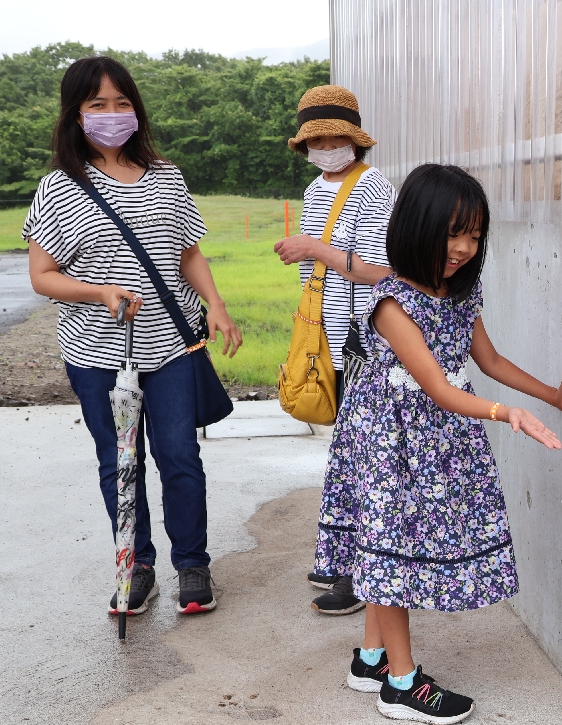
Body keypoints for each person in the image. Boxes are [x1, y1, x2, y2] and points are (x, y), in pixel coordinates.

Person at [330, 164, 562, 725]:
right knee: (389, 548)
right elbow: (439, 388)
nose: (464, 248)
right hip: (391, 438)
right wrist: (505, 413)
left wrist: (549, 394)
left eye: (474, 235)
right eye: (453, 234)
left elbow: (488, 361)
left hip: (437, 437)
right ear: (417, 226)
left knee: (387, 544)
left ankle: (370, 660)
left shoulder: (458, 292)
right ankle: (401, 684)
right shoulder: (392, 303)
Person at [23, 56, 242, 617]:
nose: (112, 113)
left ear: (136, 110)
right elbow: (42, 275)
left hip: (170, 349)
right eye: (98, 104)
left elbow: (188, 252)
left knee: (180, 455)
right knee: (120, 462)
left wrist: (216, 306)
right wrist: (99, 291)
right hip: (97, 354)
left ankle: (192, 564)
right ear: (76, 114)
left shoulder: (166, 175)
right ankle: (136, 564)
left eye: (122, 103)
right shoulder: (59, 187)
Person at [274, 84, 394, 615]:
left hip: (366, 344)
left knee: (364, 462)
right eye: (315, 140)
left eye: (334, 137)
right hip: (328, 340)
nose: (325, 147)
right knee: (345, 458)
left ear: (354, 138)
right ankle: (342, 557)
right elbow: (313, 275)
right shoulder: (314, 190)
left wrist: (314, 248)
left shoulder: (374, 188)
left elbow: (380, 272)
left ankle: (359, 575)